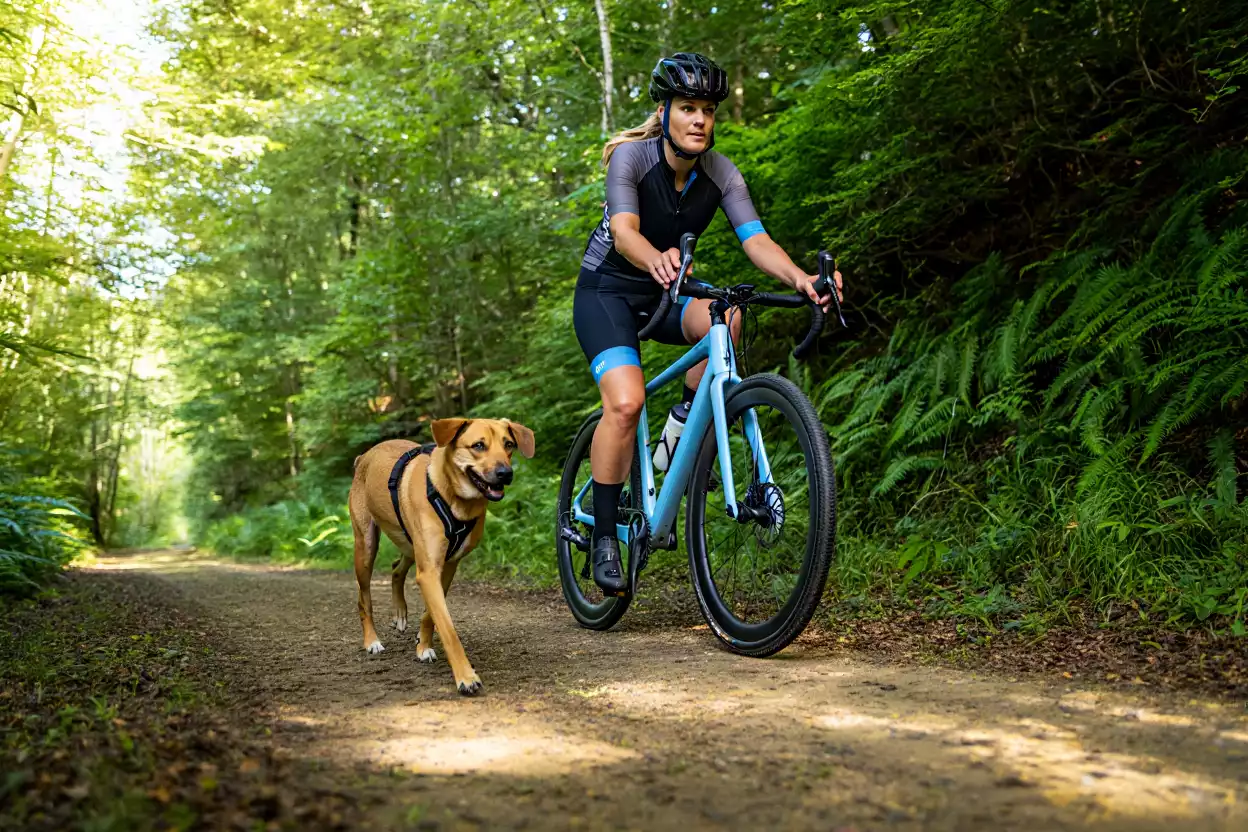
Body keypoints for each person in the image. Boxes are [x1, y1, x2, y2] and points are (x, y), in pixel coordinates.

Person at [573, 52, 843, 595]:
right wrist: (654, 257)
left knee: (729, 315)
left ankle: (682, 440)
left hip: (668, 289)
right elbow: (624, 231)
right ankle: (604, 535)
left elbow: (757, 241)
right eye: (689, 107)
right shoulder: (630, 159)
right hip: (607, 292)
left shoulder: (720, 173)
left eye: (709, 110)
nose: (700, 119)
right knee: (624, 404)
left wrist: (801, 280)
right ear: (665, 111)